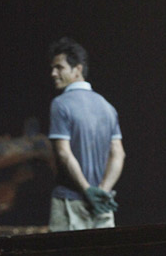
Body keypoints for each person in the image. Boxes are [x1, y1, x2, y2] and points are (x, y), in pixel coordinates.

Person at [47, 37, 125, 232]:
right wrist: (102, 192)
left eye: (60, 67)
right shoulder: (107, 107)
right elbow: (118, 153)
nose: (53, 73)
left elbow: (63, 153)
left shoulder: (60, 104)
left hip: (70, 203)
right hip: (102, 207)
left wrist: (87, 190)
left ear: (78, 69)